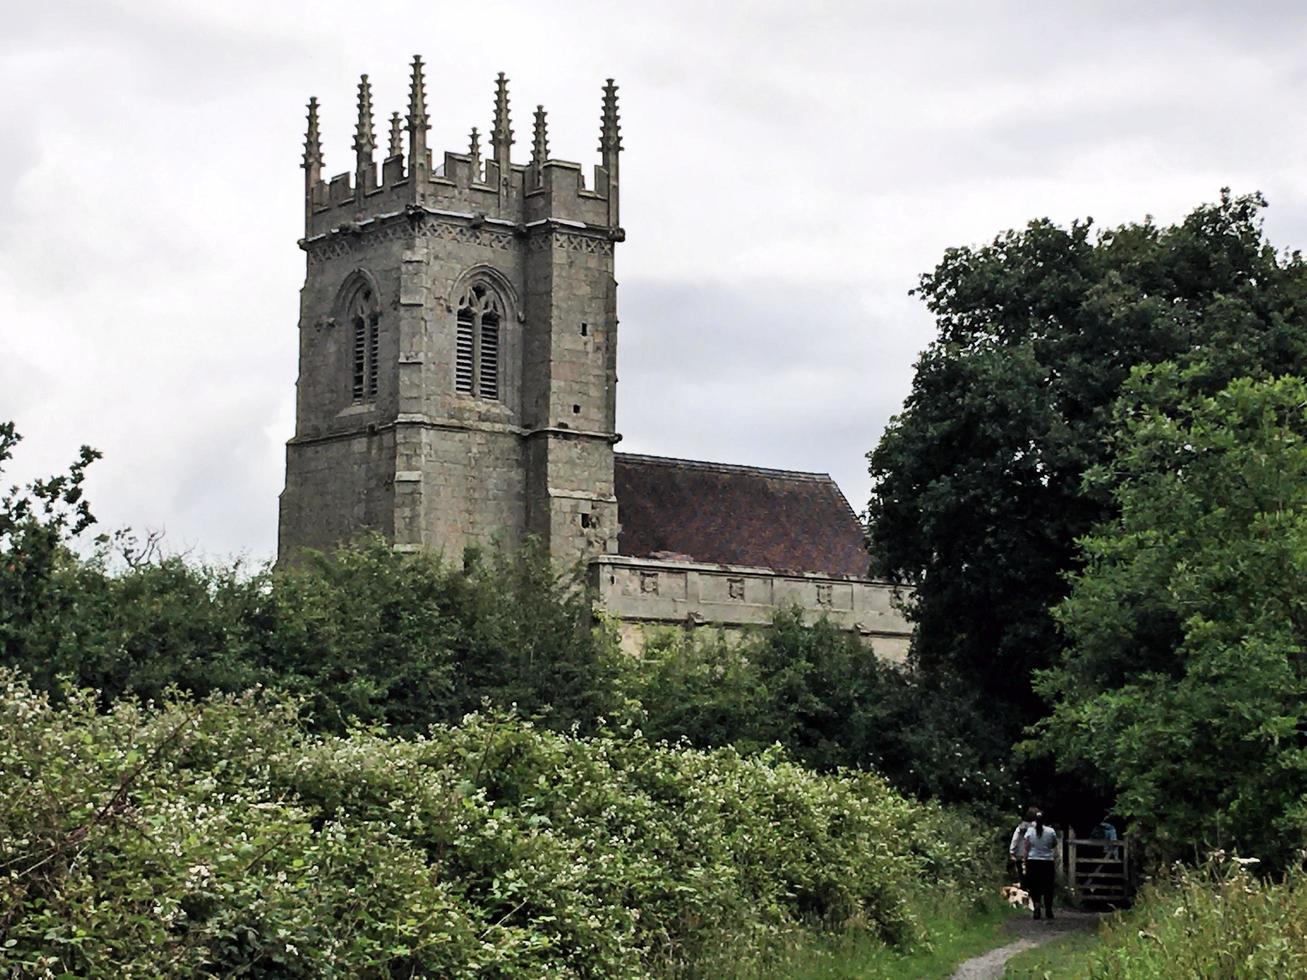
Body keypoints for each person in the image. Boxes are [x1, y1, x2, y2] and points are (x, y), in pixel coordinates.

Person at [1022, 812, 1059, 920]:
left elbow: (1026, 846)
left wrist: (1025, 860)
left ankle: (1037, 905)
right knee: (1048, 886)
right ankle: (1048, 908)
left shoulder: (1030, 831)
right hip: (1047, 861)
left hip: (1033, 861)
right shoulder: (1050, 831)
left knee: (1034, 885)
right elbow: (1054, 843)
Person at [1008, 806, 1039, 885]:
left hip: (1020, 854)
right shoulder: (1038, 828)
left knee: (1021, 875)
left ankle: (1023, 889)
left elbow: (1015, 840)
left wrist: (1012, 852)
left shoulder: (1020, 827)